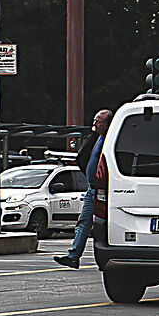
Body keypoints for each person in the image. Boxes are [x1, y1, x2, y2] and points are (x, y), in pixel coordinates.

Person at [52, 109, 113, 269]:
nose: (94, 124)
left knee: (105, 224)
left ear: (107, 125)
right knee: (83, 222)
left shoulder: (111, 139)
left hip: (105, 190)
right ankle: (73, 256)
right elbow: (84, 156)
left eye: (98, 122)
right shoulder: (96, 138)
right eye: (94, 120)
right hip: (92, 188)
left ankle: (108, 256)